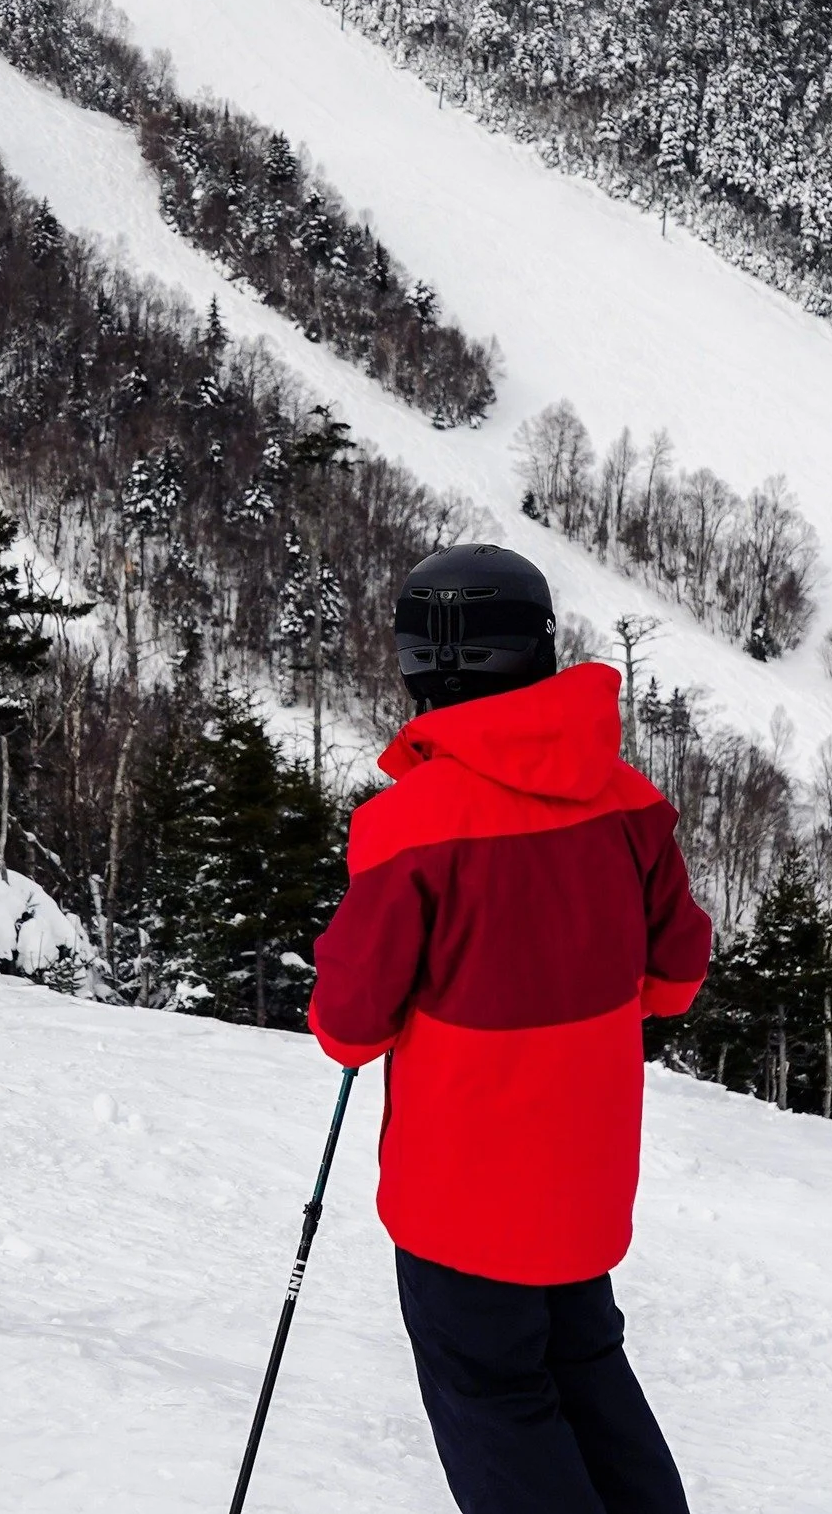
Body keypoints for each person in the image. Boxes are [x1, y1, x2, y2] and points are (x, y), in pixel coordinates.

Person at [309, 543, 712, 1514]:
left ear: (411, 663)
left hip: (459, 1201)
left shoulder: (410, 826)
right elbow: (677, 976)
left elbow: (349, 1026)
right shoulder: (630, 804)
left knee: (496, 1403)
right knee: (587, 1373)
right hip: (581, 1183)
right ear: (539, 647)